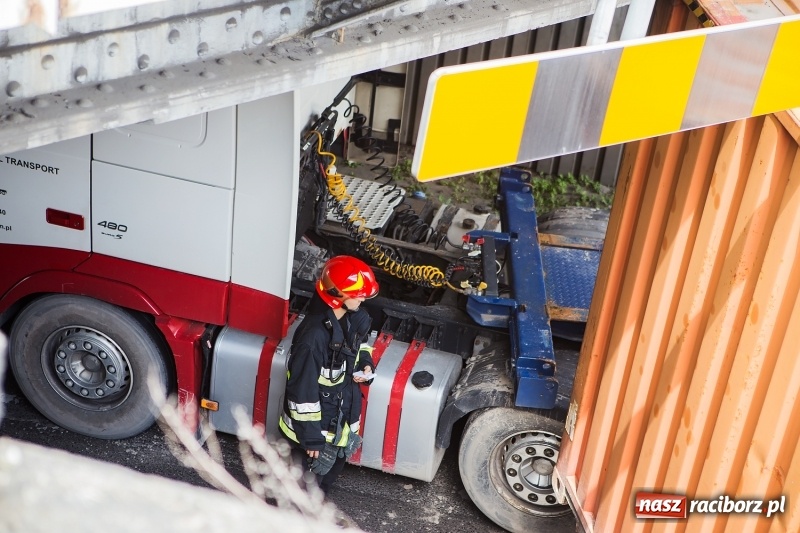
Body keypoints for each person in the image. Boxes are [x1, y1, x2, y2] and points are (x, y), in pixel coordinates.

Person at [279, 255, 379, 494]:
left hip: (337, 426)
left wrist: (365, 363)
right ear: (336, 295)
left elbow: (359, 346)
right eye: (357, 293)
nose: (363, 298)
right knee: (303, 492)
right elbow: (302, 392)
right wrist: (312, 439)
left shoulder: (352, 319)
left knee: (323, 484)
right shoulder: (313, 338)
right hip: (314, 436)